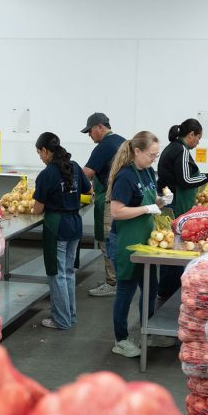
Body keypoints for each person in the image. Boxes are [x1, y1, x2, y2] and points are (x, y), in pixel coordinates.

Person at [107, 131, 174, 358]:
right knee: (126, 290)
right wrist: (147, 209)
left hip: (144, 240)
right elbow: (116, 211)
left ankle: (148, 330)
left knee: (150, 288)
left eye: (156, 155)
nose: (153, 159)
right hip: (126, 241)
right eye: (151, 155)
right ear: (137, 151)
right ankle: (121, 339)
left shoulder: (147, 172)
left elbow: (148, 197)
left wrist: (160, 201)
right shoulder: (125, 176)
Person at [156, 118, 208, 300]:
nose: (198, 142)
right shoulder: (181, 151)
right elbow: (186, 181)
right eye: (198, 138)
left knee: (170, 249)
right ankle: (169, 291)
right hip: (178, 206)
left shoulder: (173, 148)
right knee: (175, 249)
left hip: (172, 203)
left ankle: (165, 290)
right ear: (191, 135)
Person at [31, 132, 91, 330]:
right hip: (74, 224)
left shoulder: (46, 174)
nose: (40, 156)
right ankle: (69, 316)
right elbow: (88, 190)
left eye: (39, 152)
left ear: (46, 151)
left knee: (57, 275)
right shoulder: (73, 167)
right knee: (68, 273)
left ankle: (61, 320)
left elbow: (37, 209)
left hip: (57, 226)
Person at [81, 112, 126, 298]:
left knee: (107, 241)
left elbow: (86, 173)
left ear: (100, 127)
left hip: (108, 201)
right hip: (122, 200)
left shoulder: (103, 146)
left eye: (90, 131)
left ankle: (112, 283)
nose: (89, 135)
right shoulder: (122, 141)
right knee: (116, 240)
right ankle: (117, 279)